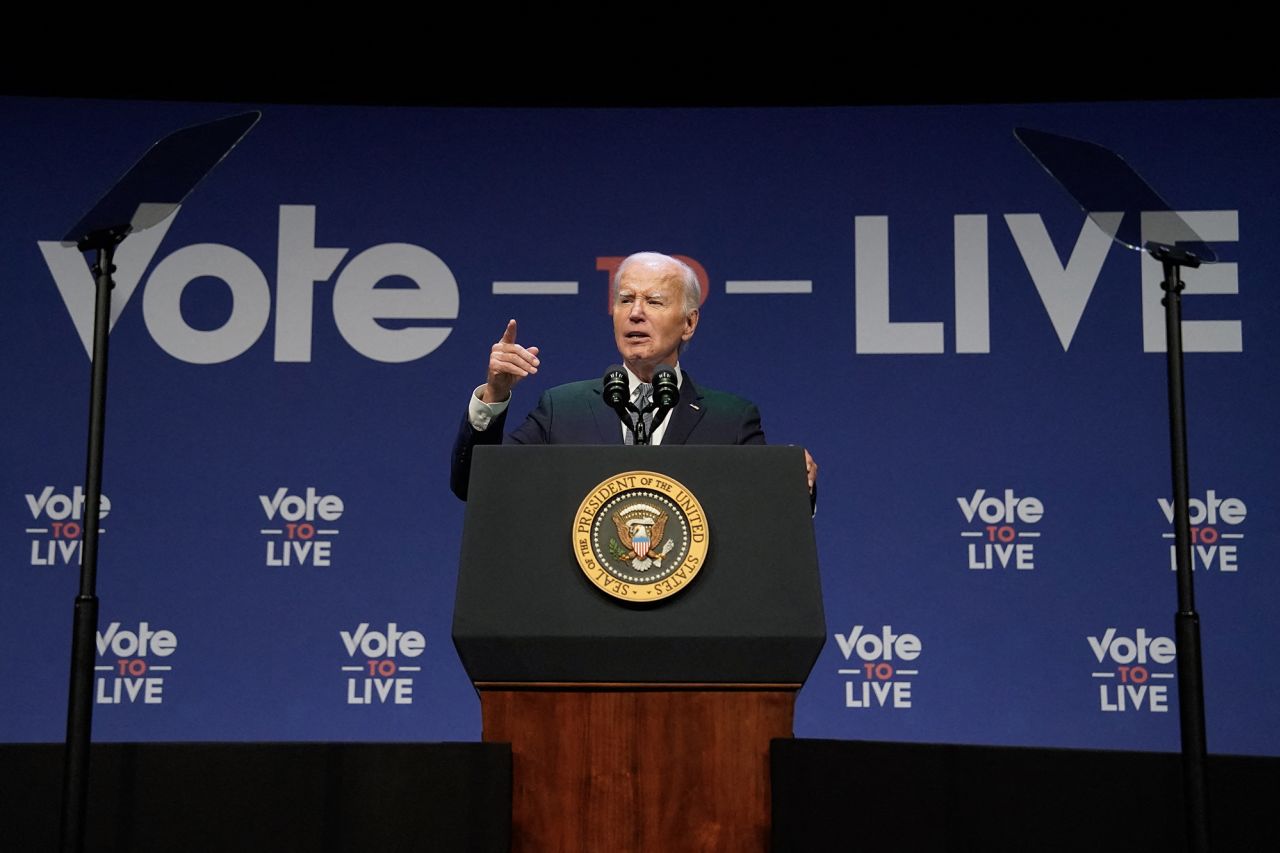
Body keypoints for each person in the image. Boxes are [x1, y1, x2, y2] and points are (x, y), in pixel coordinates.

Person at [449, 251, 817, 500]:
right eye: (625, 300)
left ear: (689, 323)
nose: (635, 313)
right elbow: (477, 488)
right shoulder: (562, 409)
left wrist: (796, 483)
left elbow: (767, 513)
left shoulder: (731, 420)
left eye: (654, 301)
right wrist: (495, 395)